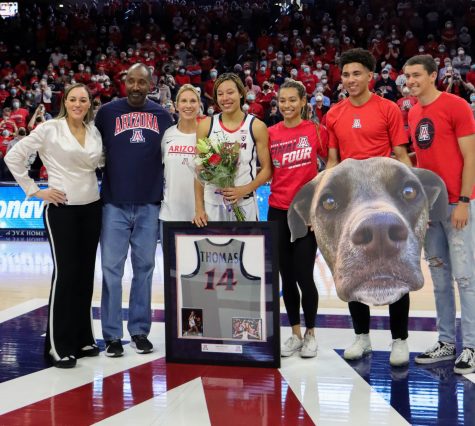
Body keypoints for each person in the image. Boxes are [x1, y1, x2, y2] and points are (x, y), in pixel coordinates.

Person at [5, 83, 103, 368]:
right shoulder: (50, 129)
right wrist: (36, 190)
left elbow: (103, 162)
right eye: (73, 99)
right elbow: (14, 156)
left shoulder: (94, 131)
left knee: (85, 274)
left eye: (83, 100)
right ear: (65, 101)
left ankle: (83, 338)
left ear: (89, 104)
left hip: (92, 208)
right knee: (66, 273)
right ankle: (58, 346)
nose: (77, 104)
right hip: (61, 210)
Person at [325, 48, 412, 367]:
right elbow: (333, 162)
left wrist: (413, 197)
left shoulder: (388, 109)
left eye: (356, 73)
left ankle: (400, 339)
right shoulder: (333, 114)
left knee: (397, 266)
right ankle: (361, 336)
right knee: (353, 267)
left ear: (370, 76)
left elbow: (401, 154)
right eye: (345, 74)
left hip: (387, 199)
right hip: (351, 203)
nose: (350, 80)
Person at [95, 63, 173, 357]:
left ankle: (139, 331)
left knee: (144, 270)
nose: (137, 86)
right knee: (111, 272)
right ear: (124, 83)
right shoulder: (107, 113)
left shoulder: (162, 116)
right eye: (132, 81)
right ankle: (112, 336)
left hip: (149, 205)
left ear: (151, 84)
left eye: (143, 82)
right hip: (114, 203)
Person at [404, 55, 475, 375]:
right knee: (441, 280)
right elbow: (423, 162)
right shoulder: (414, 112)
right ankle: (447, 341)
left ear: (433, 75)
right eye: (407, 76)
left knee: (466, 278)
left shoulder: (456, 105)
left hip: (458, 205)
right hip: (431, 209)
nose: (411, 81)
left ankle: (472, 346)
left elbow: (470, 156)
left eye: (417, 75)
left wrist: (463, 200)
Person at [268, 79, 329, 358]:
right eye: (282, 101)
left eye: (293, 100)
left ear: (304, 102)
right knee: (286, 276)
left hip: (306, 213)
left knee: (304, 274)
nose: (287, 105)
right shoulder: (270, 133)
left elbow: (333, 169)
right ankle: (293, 333)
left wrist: (320, 207)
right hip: (277, 210)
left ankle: (311, 333)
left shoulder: (317, 131)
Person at [193, 73, 272, 225]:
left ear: (241, 93)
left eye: (230, 92)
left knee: (246, 248)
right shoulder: (205, 125)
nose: (225, 98)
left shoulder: (256, 126)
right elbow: (199, 171)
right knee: (215, 249)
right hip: (213, 204)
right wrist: (199, 208)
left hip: (244, 202)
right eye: (220, 94)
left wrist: (245, 189)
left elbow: (267, 170)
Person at [160, 84, 200, 224]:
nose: (188, 105)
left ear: (199, 105)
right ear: (176, 105)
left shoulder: (207, 135)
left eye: (193, 101)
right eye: (183, 101)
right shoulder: (167, 134)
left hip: (201, 216)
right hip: (170, 215)